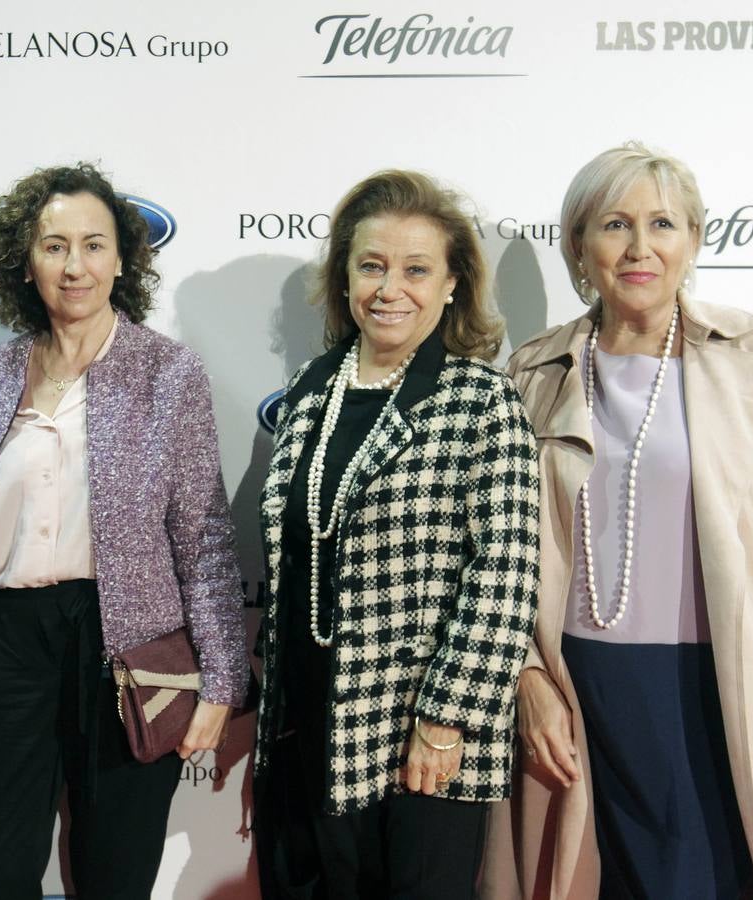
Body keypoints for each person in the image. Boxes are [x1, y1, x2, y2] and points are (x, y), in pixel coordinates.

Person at [482, 142, 753, 900]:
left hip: (722, 687)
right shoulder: (533, 371)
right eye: (614, 224)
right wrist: (526, 676)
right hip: (580, 690)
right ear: (580, 246)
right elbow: (496, 549)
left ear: (693, 239)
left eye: (663, 223)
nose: (640, 247)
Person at [0, 162, 250, 899]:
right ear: (26, 260)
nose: (74, 266)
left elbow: (203, 536)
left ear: (121, 259)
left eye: (93, 244)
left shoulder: (169, 373)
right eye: (53, 246)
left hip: (129, 646)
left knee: (114, 872)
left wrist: (220, 682)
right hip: (7, 640)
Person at [252, 169, 541, 899]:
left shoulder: (479, 400)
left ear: (452, 285)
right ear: (345, 276)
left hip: (416, 736)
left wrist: (446, 720)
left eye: (417, 270)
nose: (391, 289)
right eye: (372, 266)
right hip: (304, 727)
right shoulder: (313, 389)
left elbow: (504, 574)